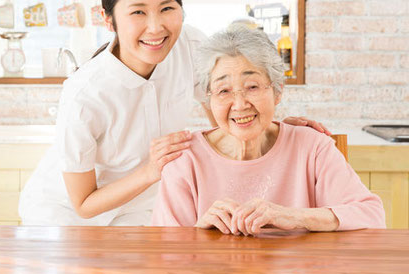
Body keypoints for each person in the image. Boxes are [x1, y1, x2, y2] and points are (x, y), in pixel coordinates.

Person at [19, 0, 329, 226]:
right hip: (64, 218)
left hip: (142, 210)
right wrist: (152, 170)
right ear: (108, 20)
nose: (155, 27)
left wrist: (271, 126)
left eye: (167, 9)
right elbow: (84, 204)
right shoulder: (85, 94)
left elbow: (228, 115)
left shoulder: (191, 45)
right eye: (138, 12)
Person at [151, 26, 385, 234]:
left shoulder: (312, 147)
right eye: (224, 91)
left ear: (278, 91)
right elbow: (166, 254)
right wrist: (198, 232)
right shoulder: (185, 159)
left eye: (252, 86)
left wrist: (292, 216)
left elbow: (371, 216)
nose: (240, 104)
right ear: (209, 98)